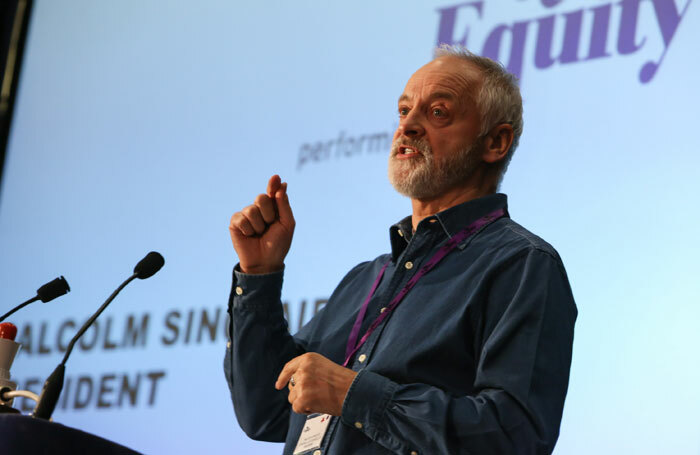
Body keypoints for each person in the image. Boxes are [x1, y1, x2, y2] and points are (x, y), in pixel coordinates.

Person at [224, 46, 577, 455]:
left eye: (438, 112)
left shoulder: (520, 265)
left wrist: (353, 394)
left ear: (495, 142)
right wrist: (259, 277)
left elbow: (513, 437)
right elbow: (266, 412)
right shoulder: (365, 279)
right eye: (404, 111)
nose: (407, 126)